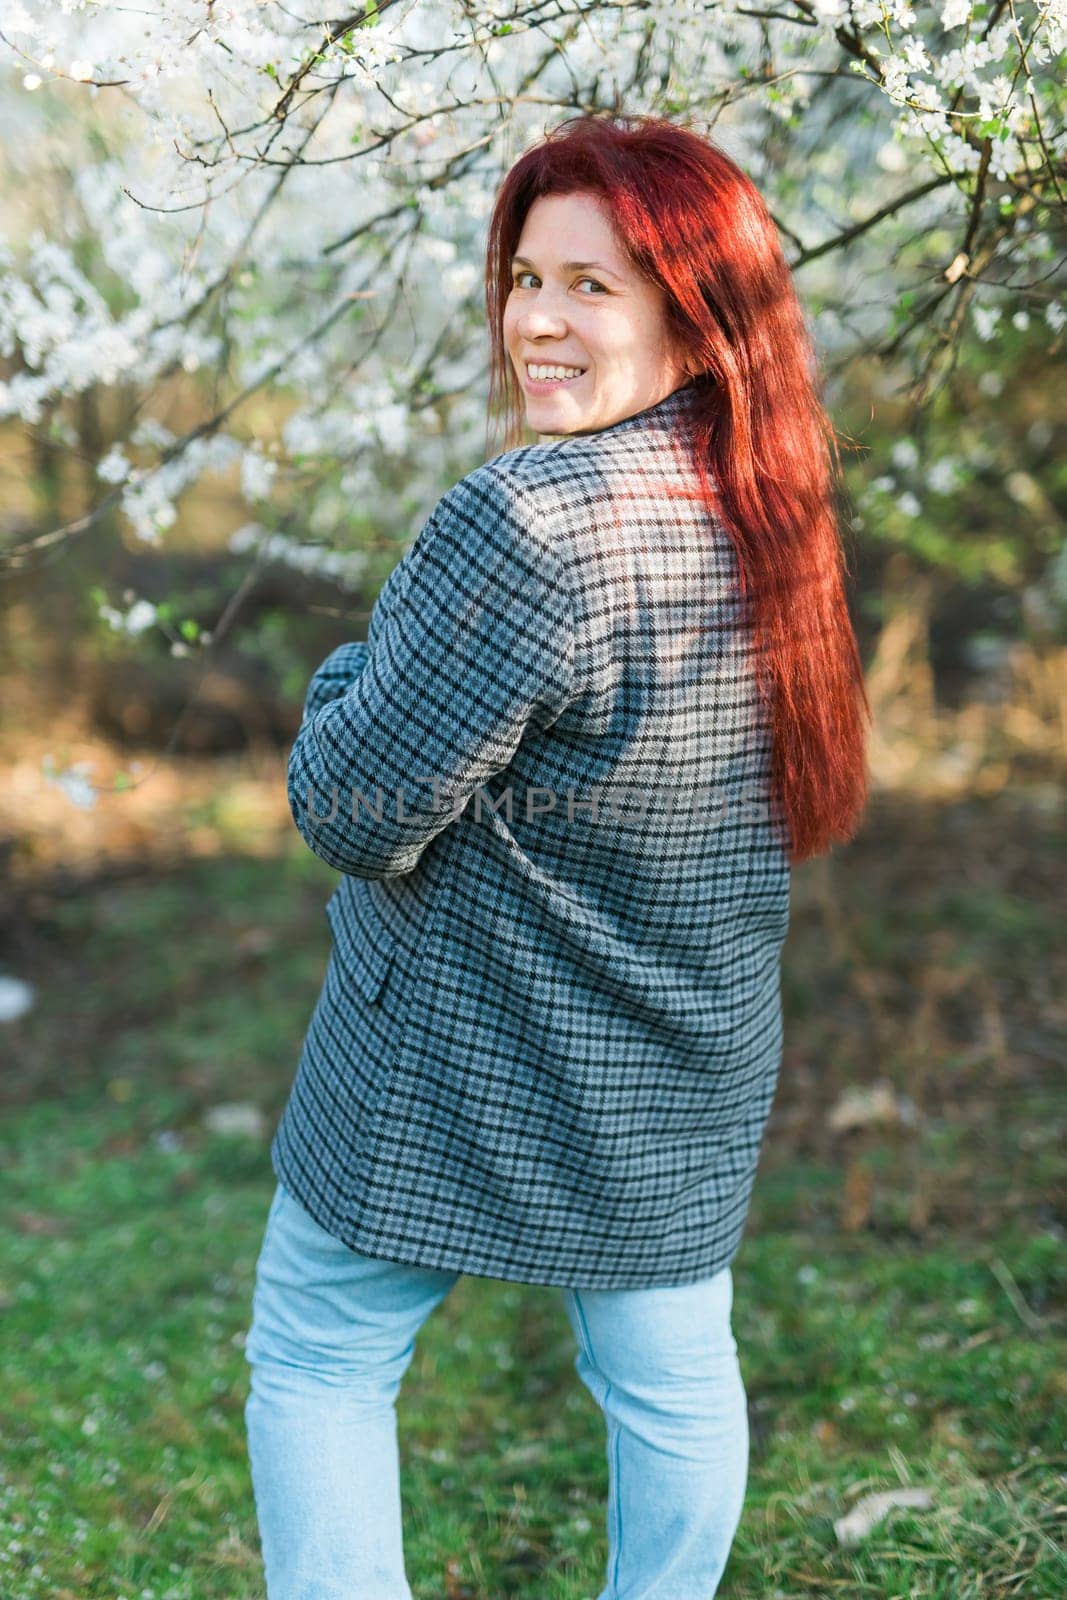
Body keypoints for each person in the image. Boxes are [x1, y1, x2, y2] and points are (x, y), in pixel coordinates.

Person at [243, 111, 870, 1599]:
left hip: (451, 1068)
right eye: (528, 275)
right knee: (668, 1376)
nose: (536, 319)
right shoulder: (768, 504)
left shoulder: (525, 522)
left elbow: (350, 806)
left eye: (596, 284)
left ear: (693, 310)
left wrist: (350, 672)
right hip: (682, 1055)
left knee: (320, 1354)